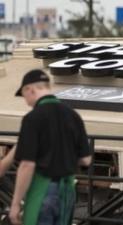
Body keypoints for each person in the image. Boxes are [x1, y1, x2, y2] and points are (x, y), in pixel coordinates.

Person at [10, 69, 93, 225]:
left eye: (24, 95)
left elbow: (27, 165)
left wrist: (15, 204)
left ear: (31, 89)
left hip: (43, 190)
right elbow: (86, 160)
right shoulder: (73, 115)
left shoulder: (32, 118)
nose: (26, 101)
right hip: (67, 191)